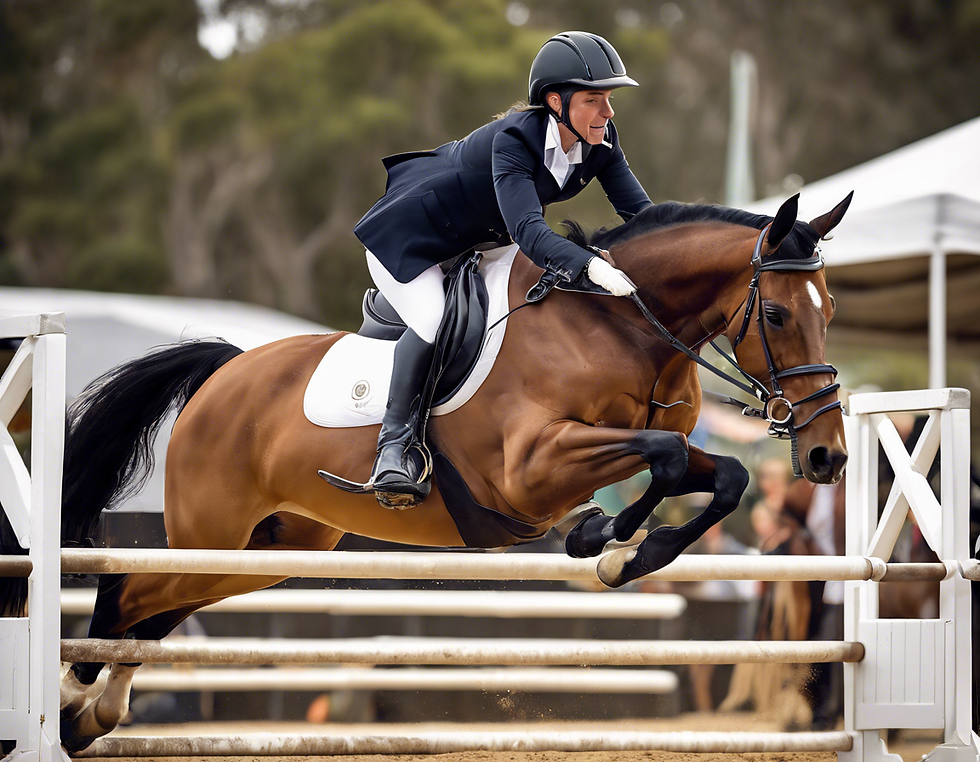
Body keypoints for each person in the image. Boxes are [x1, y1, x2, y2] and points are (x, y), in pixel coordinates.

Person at [345, 32, 653, 507]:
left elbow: (644, 217)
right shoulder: (514, 139)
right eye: (595, 100)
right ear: (556, 101)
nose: (608, 112)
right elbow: (529, 231)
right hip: (414, 242)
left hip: (482, 241)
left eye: (609, 99)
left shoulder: (600, 140)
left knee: (531, 313)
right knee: (431, 321)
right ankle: (394, 448)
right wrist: (591, 266)